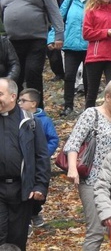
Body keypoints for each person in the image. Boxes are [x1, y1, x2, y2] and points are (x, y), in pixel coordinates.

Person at [64, 78, 111, 251]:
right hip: (92, 181)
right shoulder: (91, 114)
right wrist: (73, 169)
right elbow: (73, 143)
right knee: (96, 230)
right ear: (108, 96)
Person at [0, 0, 64, 110]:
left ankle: (37, 109)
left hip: (36, 39)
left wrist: (59, 36)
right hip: (12, 42)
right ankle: (13, 110)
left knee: (32, 73)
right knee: (15, 77)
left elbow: (54, 12)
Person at [0, 78, 50, 249]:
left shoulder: (30, 122)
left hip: (21, 190)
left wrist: (40, 186)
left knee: (17, 240)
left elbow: (41, 156)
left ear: (13, 96)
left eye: (0, 94)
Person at [52, 0, 96, 116]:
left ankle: (89, 108)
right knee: (69, 76)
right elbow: (58, 19)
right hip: (71, 45)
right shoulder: (70, 0)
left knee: (88, 79)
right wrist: (53, 38)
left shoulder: (97, 1)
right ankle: (68, 106)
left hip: (90, 45)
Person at [17, 88, 58, 229]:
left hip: (39, 162)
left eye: (23, 101)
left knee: (38, 189)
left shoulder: (44, 121)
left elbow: (53, 139)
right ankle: (26, 217)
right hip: (25, 163)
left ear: (33, 103)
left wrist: (44, 154)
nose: (20, 103)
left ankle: (35, 213)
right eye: (19, 100)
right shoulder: (18, 119)